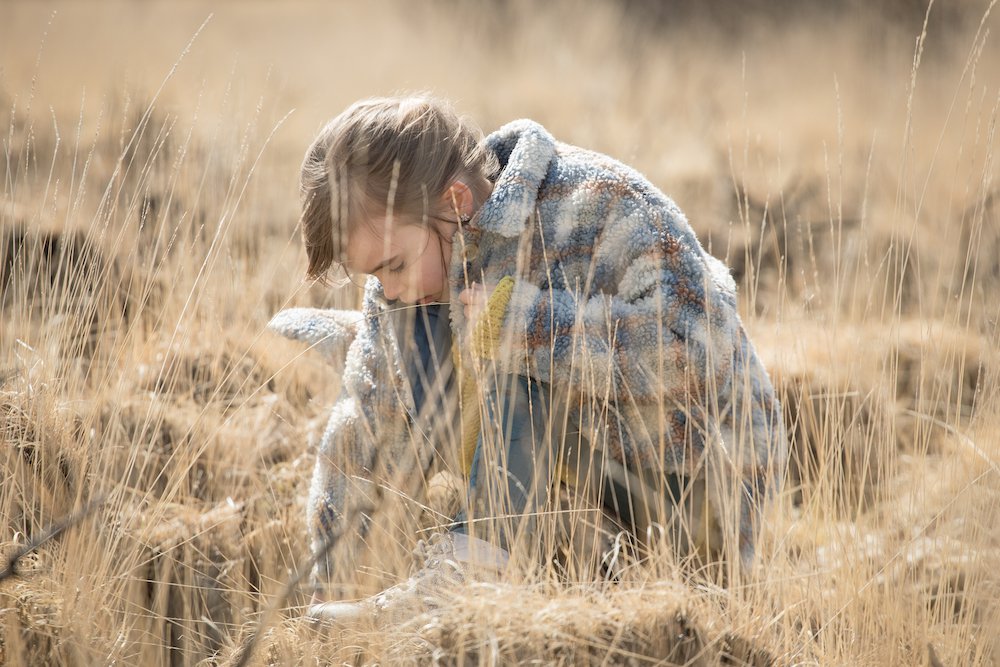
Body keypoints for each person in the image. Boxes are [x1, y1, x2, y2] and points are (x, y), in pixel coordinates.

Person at [289, 95, 786, 622]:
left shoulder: (603, 203)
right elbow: (366, 424)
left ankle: (469, 577)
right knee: (410, 333)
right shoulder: (403, 288)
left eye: (393, 265)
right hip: (561, 503)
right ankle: (516, 560)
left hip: (692, 498)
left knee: (507, 332)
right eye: (374, 275)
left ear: (456, 201)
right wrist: (333, 584)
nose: (388, 289)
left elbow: (697, 348)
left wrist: (527, 326)